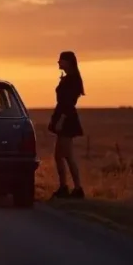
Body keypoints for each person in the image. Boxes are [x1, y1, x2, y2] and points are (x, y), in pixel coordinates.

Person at [49, 51, 85, 199]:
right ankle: (63, 186)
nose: (58, 63)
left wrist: (61, 120)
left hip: (67, 119)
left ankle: (77, 189)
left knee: (68, 155)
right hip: (63, 117)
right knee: (58, 155)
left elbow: (69, 103)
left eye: (61, 60)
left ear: (68, 62)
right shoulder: (68, 78)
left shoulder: (73, 80)